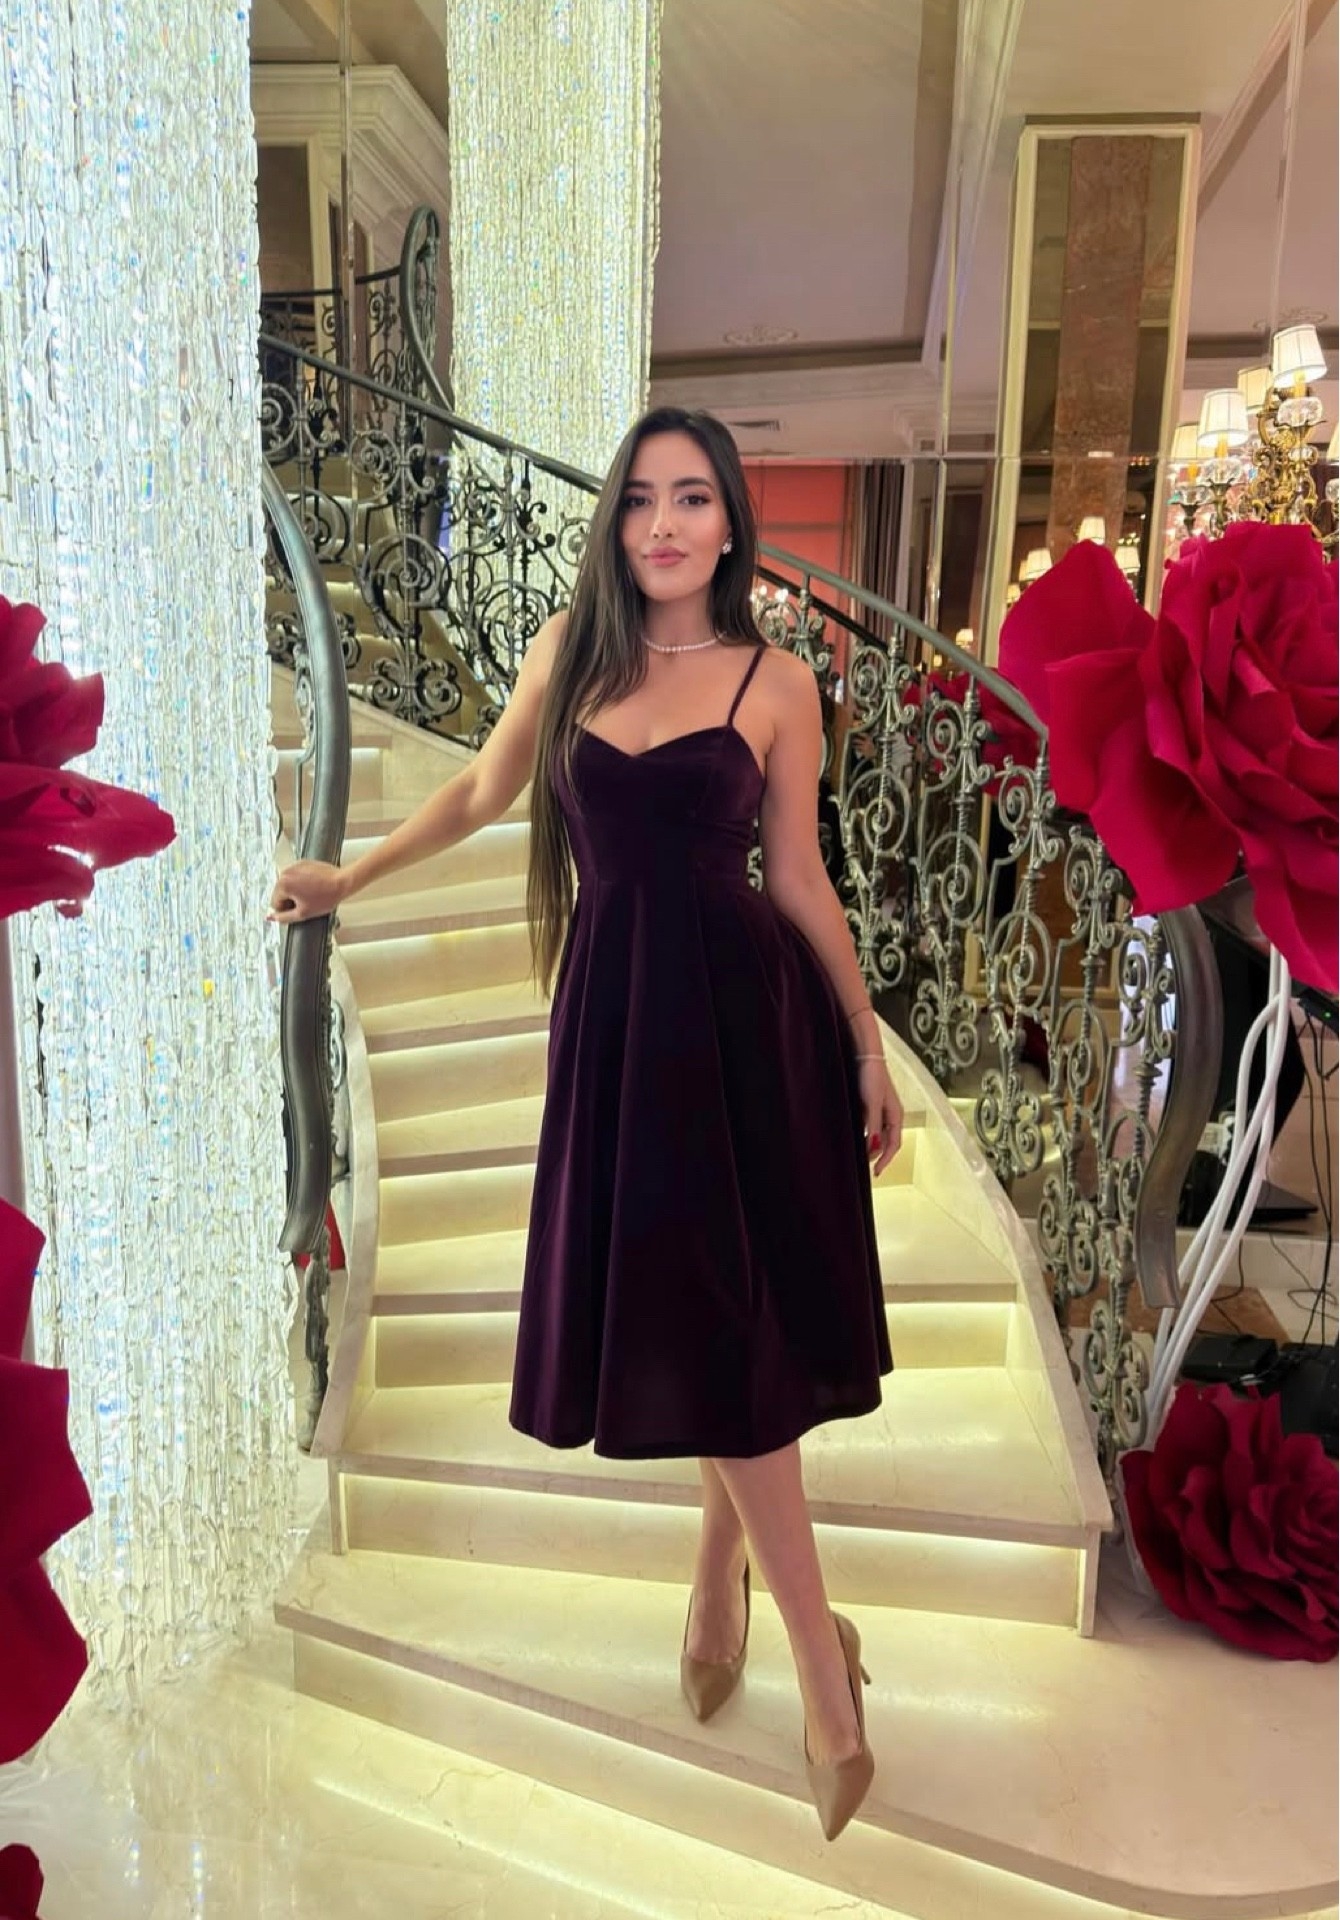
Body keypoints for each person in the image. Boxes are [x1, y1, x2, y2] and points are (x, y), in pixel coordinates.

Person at [271, 405, 903, 1842]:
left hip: (747, 1026)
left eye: (693, 499)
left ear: (731, 526)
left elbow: (799, 878)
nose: (664, 524)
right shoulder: (571, 653)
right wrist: (348, 879)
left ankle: (810, 1660)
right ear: (616, 523)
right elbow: (480, 790)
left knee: (726, 1314)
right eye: (641, 499)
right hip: (619, 1025)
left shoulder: (779, 682)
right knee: (693, 1308)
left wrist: (865, 1046)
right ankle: (749, 1596)